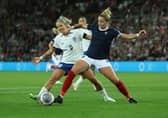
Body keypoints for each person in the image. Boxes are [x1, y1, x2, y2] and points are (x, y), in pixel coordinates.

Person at [54, 8, 146, 104]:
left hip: (102, 61)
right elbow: (81, 25)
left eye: (101, 21)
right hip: (88, 57)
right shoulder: (94, 27)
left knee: (115, 81)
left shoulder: (112, 32)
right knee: (72, 72)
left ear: (107, 22)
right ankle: (61, 96)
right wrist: (71, 28)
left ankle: (129, 98)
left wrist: (137, 35)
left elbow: (126, 36)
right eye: (98, 21)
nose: (99, 23)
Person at [30, 16, 115, 102]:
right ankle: (39, 96)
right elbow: (51, 50)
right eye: (58, 27)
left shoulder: (77, 32)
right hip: (65, 63)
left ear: (66, 25)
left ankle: (106, 97)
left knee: (94, 80)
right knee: (52, 79)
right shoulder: (58, 38)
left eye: (61, 26)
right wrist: (41, 57)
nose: (59, 28)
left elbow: (90, 37)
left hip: (80, 63)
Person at [72, 16, 96, 91]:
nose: (82, 22)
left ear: (86, 22)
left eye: (83, 20)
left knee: (91, 70)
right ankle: (94, 85)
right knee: (88, 70)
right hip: (84, 52)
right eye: (80, 21)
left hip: (92, 51)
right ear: (78, 22)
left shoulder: (90, 29)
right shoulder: (77, 31)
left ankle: (77, 84)